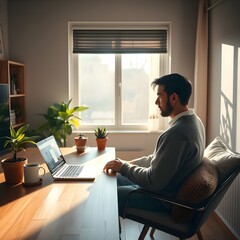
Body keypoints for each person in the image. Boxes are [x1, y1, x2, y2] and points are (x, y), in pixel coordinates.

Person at [103, 73, 205, 216]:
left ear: (173, 98)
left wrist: (124, 167)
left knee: (105, 194)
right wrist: (126, 164)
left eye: (160, 96)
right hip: (161, 189)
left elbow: (153, 181)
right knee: (108, 180)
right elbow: (157, 160)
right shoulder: (194, 121)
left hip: (161, 199)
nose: (157, 102)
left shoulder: (178, 133)